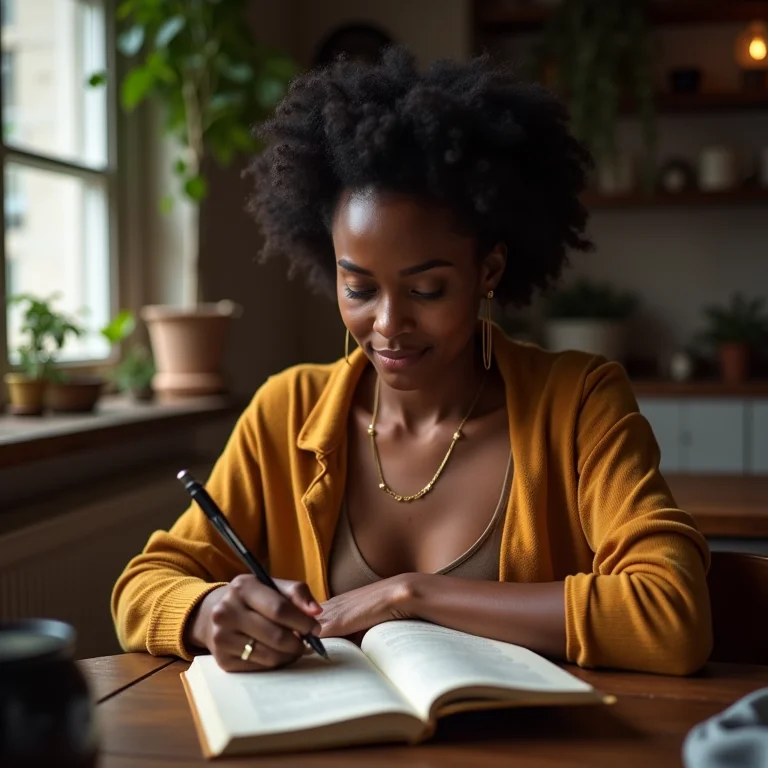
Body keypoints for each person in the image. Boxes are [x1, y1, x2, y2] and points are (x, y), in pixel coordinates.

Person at [112, 48, 712, 676]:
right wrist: (209, 610)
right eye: (359, 287)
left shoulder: (579, 402)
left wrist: (408, 595)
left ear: (489, 271)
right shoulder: (286, 412)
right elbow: (142, 586)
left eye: (426, 290)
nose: (388, 324)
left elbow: (672, 614)